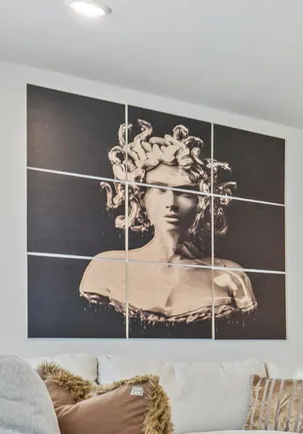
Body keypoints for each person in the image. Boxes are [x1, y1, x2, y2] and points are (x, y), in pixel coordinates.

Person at [79, 120, 255, 323]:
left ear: (202, 202)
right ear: (140, 197)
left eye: (185, 192)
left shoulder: (231, 277)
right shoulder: (106, 269)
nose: (171, 203)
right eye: (159, 189)